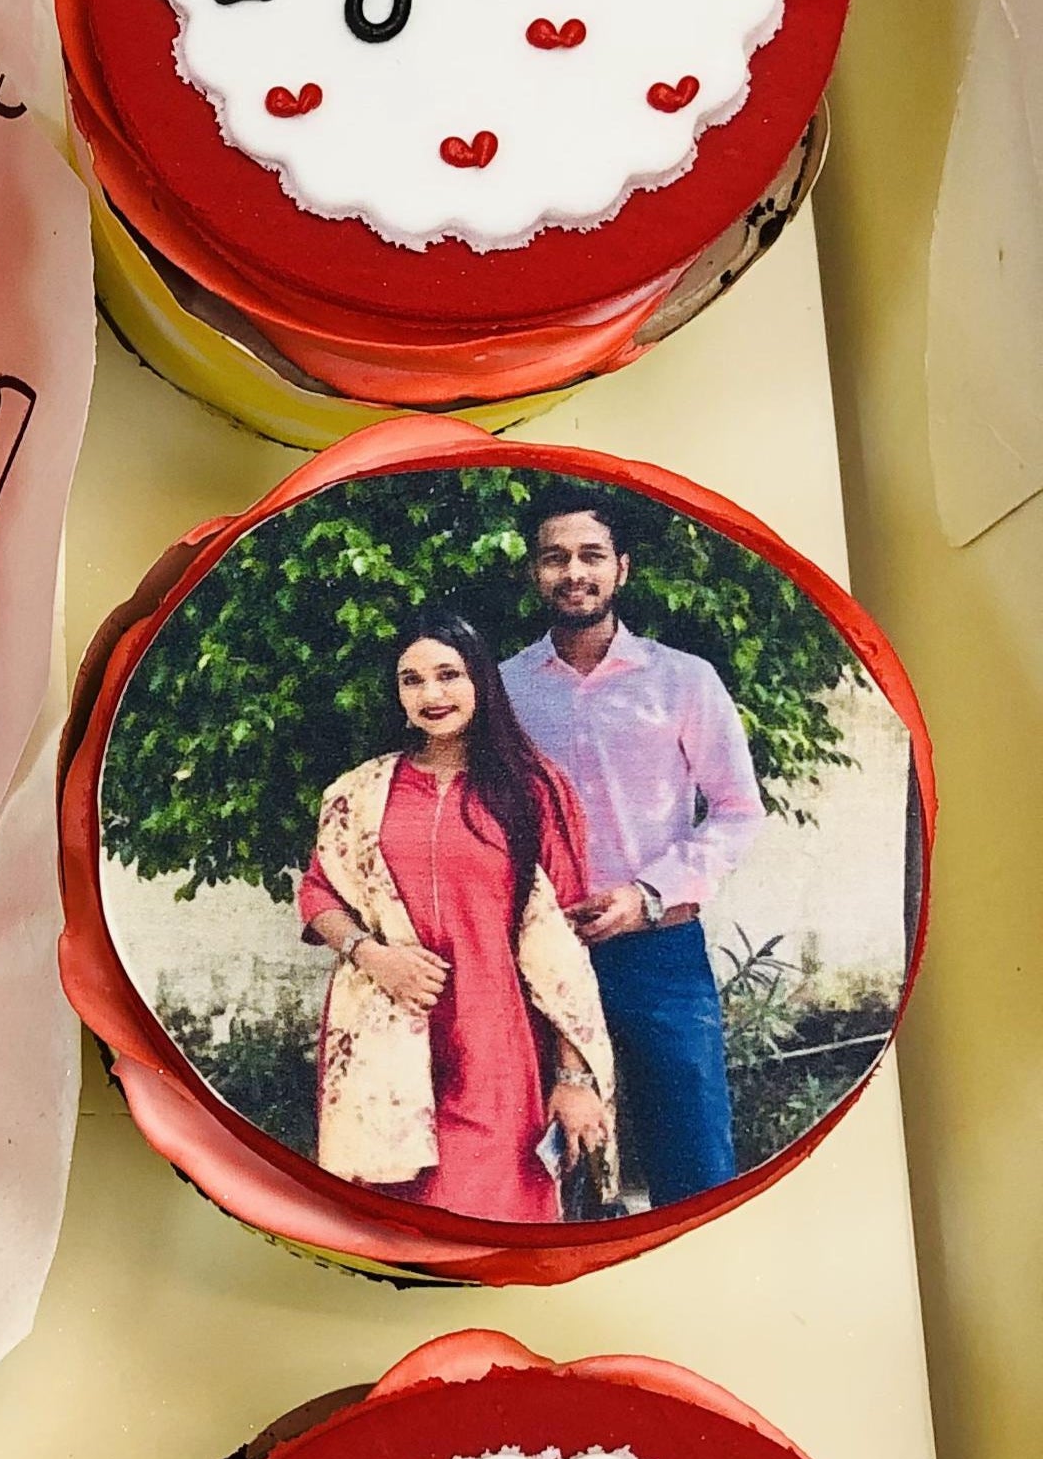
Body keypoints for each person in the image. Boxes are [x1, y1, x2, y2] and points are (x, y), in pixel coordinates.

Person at [300, 612, 615, 1222]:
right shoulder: (358, 793)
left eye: (449, 674)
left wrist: (574, 1079)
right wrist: (375, 956)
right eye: (412, 680)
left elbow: (568, 942)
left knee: (491, 1215)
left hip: (497, 1046)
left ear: (481, 681)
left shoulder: (534, 790)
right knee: (394, 1223)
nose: (432, 694)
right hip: (386, 1042)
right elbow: (319, 896)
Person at [500, 492, 764, 1207]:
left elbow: (738, 810)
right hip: (545, 957)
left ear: (622, 568)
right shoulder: (505, 690)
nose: (573, 572)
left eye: (591, 556)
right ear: (534, 573)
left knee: (695, 1164)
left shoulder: (683, 680)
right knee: (557, 1171)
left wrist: (647, 895)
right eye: (555, 557)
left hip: (660, 955)